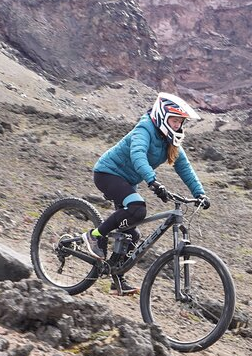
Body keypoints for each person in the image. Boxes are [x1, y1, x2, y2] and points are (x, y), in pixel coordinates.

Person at [81, 92, 210, 294]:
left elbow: (184, 167)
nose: (177, 125)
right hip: (108, 173)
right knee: (137, 209)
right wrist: (153, 182)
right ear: (162, 116)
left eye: (180, 122)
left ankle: (116, 278)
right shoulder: (145, 129)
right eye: (174, 120)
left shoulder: (170, 141)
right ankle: (95, 236)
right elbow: (138, 154)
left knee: (132, 233)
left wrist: (200, 193)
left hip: (128, 181)